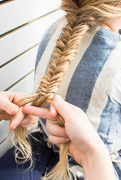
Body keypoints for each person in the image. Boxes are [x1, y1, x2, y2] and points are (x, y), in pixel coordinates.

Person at [1, 0, 121, 179]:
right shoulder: (116, 59)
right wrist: (92, 154)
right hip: (91, 167)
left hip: (39, 143)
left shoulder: (55, 29)